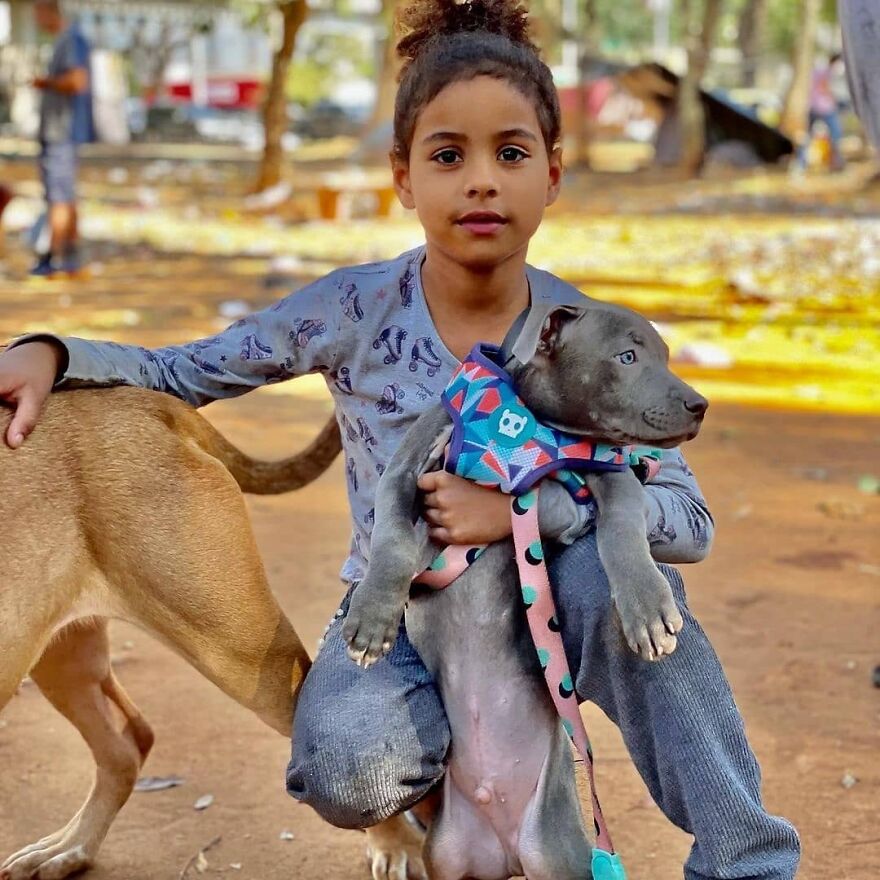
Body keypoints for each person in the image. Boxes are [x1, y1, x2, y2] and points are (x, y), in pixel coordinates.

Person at [0, 1, 800, 877]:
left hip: (551, 611)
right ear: (403, 178)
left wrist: (523, 513)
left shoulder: (592, 338)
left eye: (512, 154)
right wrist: (55, 350)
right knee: (344, 766)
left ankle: (745, 857)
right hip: (406, 617)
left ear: (554, 175)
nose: (482, 182)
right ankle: (458, 787)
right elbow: (187, 372)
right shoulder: (352, 309)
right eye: (448, 156)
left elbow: (688, 520)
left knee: (636, 594)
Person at [30, 0, 93, 278]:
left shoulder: (71, 39)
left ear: (48, 11)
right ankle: (70, 259)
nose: (36, 20)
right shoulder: (66, 40)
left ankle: (53, 258)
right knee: (64, 195)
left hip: (62, 131)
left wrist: (47, 83)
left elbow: (78, 81)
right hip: (59, 131)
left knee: (59, 197)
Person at [797, 52, 846, 172]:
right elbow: (826, 87)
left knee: (808, 137)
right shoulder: (828, 72)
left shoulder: (818, 70)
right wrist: (835, 98)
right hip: (826, 109)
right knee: (835, 136)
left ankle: (801, 165)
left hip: (813, 107)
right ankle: (836, 164)